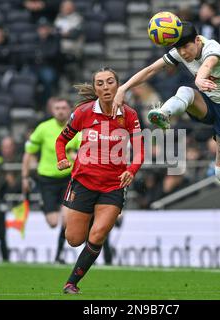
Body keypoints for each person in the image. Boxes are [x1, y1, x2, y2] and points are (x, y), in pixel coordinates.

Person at [113, 22, 220, 204]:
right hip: (207, 103)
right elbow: (151, 69)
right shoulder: (181, 52)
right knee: (185, 91)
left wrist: (200, 78)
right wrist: (123, 88)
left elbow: (208, 65)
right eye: (178, 48)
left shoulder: (212, 49)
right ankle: (164, 113)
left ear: (197, 40)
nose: (183, 52)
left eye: (186, 46)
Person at [55, 67, 144, 294]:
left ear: (118, 84)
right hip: (83, 182)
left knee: (97, 235)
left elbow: (140, 150)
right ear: (95, 88)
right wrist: (62, 159)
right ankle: (91, 214)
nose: (106, 87)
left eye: (110, 82)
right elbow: (61, 141)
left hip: (113, 185)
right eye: (100, 83)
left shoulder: (129, 114)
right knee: (74, 239)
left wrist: (132, 170)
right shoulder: (84, 112)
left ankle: (71, 283)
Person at [22, 97, 81, 263]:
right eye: (57, 108)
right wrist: (25, 177)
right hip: (46, 180)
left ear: (69, 110)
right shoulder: (43, 128)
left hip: (68, 179)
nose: (61, 111)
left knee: (67, 220)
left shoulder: (77, 129)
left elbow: (83, 152)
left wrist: (75, 156)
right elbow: (28, 152)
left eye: (64, 107)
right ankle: (45, 204)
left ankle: (59, 255)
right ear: (52, 110)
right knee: (53, 222)